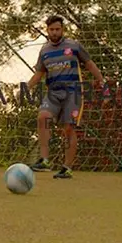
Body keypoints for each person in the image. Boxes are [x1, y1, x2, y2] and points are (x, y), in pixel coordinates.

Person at [27, 15, 104, 179]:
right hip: (53, 93)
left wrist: (101, 81)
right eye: (51, 29)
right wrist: (26, 88)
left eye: (57, 29)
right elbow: (39, 74)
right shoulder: (44, 51)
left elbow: (89, 63)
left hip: (73, 93)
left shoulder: (74, 46)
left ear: (62, 30)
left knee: (68, 128)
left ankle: (67, 168)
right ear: (47, 31)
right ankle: (45, 160)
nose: (54, 32)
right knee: (43, 117)